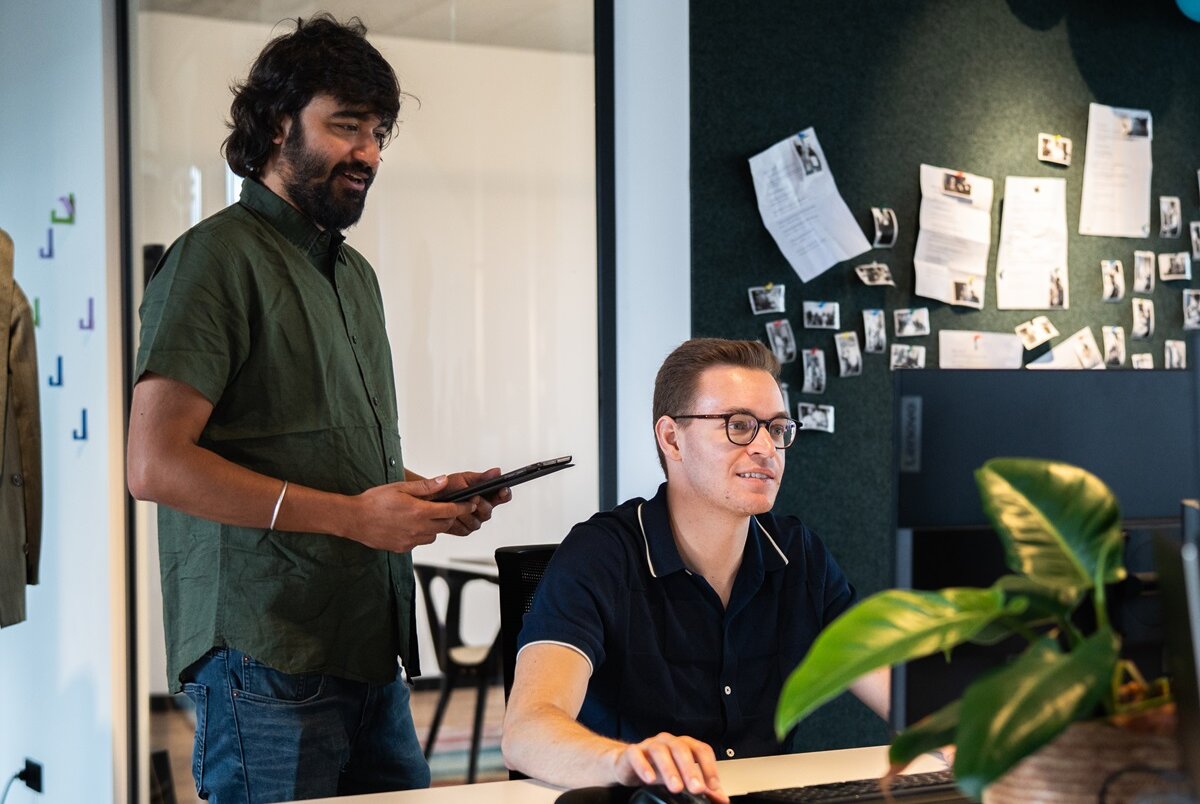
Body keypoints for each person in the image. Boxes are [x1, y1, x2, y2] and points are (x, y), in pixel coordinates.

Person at [126, 15, 509, 803]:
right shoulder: (214, 259)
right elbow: (153, 464)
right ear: (276, 126)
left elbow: (328, 449)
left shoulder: (353, 274)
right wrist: (351, 517)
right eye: (345, 126)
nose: (368, 152)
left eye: (377, 133)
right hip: (267, 656)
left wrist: (424, 496)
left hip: (367, 648)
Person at [501, 339, 888, 803]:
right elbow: (525, 731)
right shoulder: (602, 554)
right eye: (739, 425)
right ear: (671, 438)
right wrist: (626, 761)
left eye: (777, 427)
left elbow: (899, 690)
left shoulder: (798, 553)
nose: (766, 447)